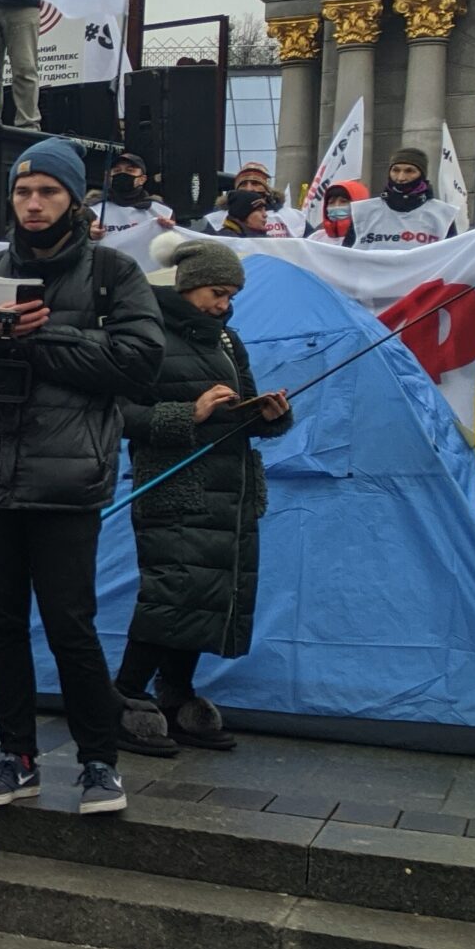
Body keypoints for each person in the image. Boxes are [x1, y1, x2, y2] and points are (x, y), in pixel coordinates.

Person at [0, 137, 163, 814]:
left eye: (47, 192)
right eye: (24, 191)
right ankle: (16, 755)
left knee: (70, 624)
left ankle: (98, 761)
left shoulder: (114, 274)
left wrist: (42, 336)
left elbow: (139, 363)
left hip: (66, 481)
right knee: (0, 623)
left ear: (74, 199)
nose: (32, 203)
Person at [115, 235, 294, 758]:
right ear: (188, 286)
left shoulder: (229, 342)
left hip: (231, 491)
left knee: (206, 598)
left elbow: (238, 416)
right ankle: (124, 695)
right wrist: (186, 414)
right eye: (217, 292)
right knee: (170, 594)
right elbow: (116, 414)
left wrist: (268, 416)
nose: (225, 304)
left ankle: (175, 696)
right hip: (174, 486)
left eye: (231, 294)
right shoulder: (145, 337)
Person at [349, 146, 462, 248]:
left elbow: (451, 259)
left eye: (410, 171)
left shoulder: (443, 214)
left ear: (421, 175)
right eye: (396, 170)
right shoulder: (363, 212)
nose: (401, 177)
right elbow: (344, 258)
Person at [90, 149, 178, 243]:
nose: (122, 174)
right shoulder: (93, 209)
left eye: (130, 171)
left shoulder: (161, 210)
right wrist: (89, 234)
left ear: (142, 179)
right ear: (108, 178)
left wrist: (171, 231)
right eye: (117, 171)